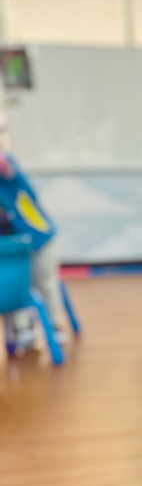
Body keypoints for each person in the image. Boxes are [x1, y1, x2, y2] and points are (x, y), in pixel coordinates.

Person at [0, 150, 66, 350]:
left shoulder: (8, 172)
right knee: (14, 287)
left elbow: (4, 165)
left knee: (44, 283)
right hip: (13, 249)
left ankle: (54, 326)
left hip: (40, 239)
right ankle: (23, 328)